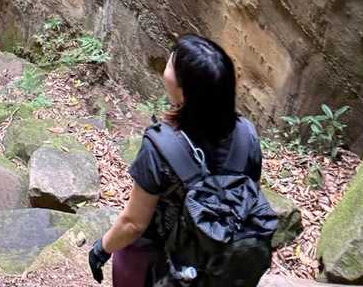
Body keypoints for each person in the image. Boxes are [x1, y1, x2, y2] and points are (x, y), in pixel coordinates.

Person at [88, 34, 263, 287]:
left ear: (184, 89)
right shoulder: (247, 136)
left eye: (172, 62)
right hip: (219, 260)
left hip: (160, 262)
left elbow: (134, 224)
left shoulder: (160, 146)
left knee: (130, 256)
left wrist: (101, 249)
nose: (168, 61)